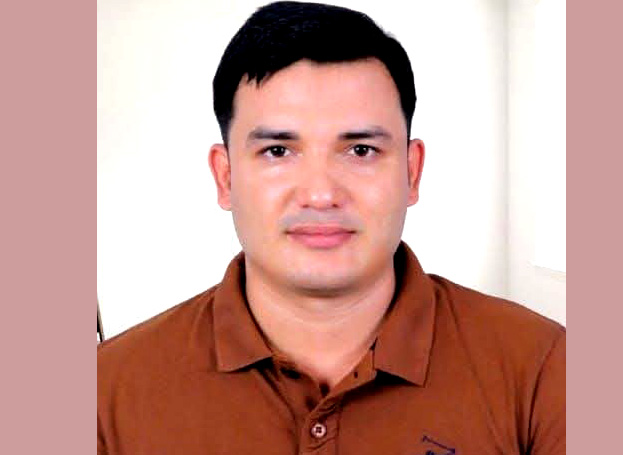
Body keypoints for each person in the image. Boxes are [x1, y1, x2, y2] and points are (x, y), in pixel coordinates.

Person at [97, 2, 565, 454]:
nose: (320, 195)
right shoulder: (104, 390)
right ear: (225, 178)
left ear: (412, 172)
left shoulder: (545, 367)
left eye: (360, 150)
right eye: (277, 152)